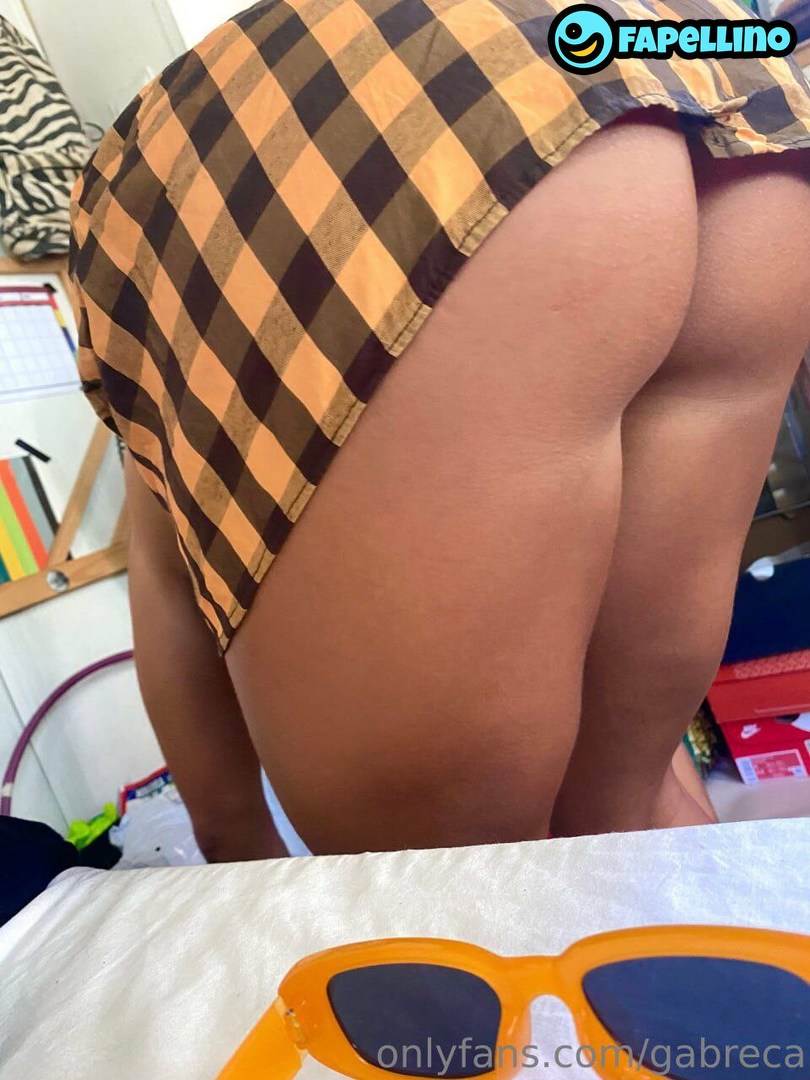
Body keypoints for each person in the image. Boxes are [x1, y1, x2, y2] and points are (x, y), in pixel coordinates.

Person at [71, 0, 810, 861]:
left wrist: (241, 859)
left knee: (461, 891)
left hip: (395, 101)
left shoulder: (184, 161)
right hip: (699, 55)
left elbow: (170, 575)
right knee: (632, 811)